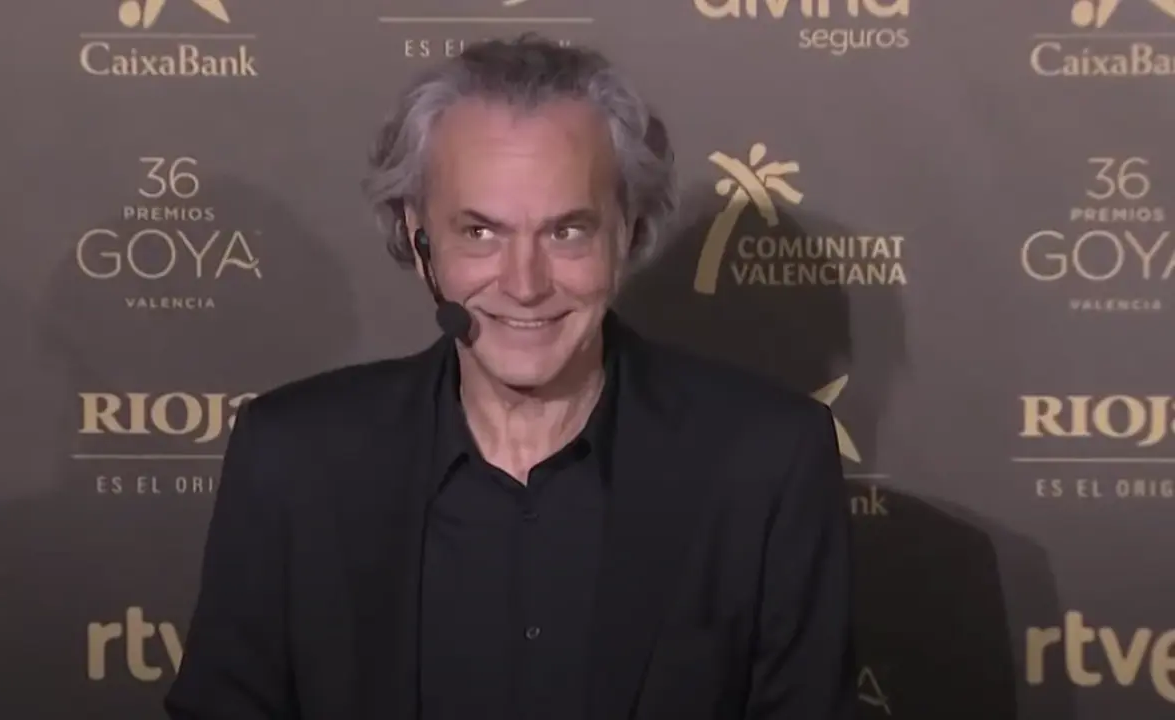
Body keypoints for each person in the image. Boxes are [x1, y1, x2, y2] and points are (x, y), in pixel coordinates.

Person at [163, 34, 855, 720]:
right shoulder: (293, 459)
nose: (525, 285)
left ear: (628, 232)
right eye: (480, 233)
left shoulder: (765, 462)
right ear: (419, 237)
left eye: (567, 231)